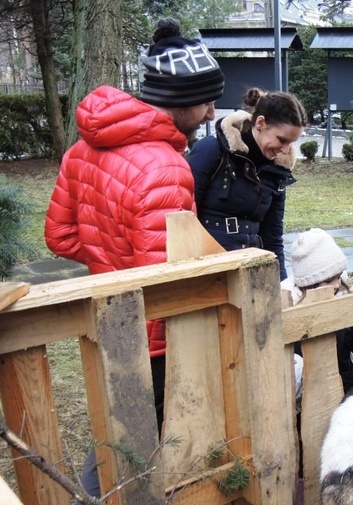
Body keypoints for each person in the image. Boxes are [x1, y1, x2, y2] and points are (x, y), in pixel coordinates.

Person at [44, 17, 223, 500]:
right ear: (179, 98)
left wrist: (109, 261)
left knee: (113, 430)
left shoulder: (83, 148)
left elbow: (59, 236)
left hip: (106, 314)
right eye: (207, 101)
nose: (211, 113)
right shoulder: (167, 167)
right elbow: (168, 275)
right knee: (144, 441)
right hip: (155, 335)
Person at [187, 88, 307, 279]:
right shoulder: (212, 150)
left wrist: (281, 286)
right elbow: (184, 218)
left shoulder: (277, 172)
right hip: (206, 270)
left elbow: (272, 236)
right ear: (260, 123)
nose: (285, 150)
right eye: (282, 140)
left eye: (291, 143)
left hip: (251, 271)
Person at [281, 228, 353, 392]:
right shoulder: (293, 314)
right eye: (329, 281)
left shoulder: (341, 298)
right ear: (310, 283)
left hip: (344, 383)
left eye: (339, 277)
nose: (337, 284)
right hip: (310, 390)